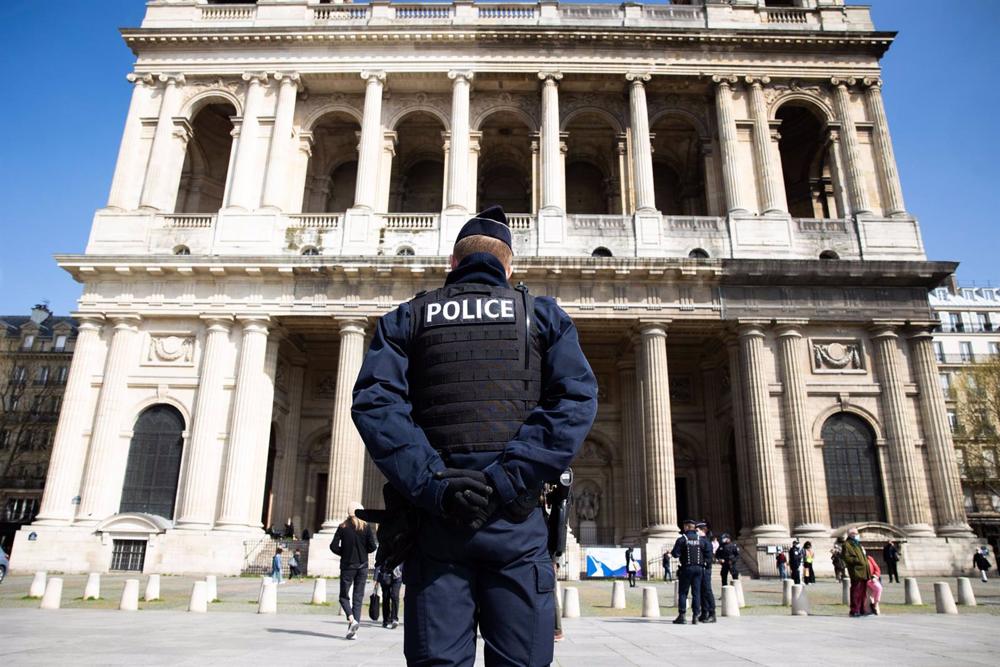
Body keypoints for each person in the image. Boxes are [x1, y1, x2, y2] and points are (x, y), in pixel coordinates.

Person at [351, 205, 599, 666]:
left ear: (452, 264)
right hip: (517, 522)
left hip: (437, 521)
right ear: (509, 267)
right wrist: (508, 478)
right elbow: (574, 403)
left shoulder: (409, 318)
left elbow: (375, 405)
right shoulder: (540, 316)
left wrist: (434, 483)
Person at [330, 502, 378, 640]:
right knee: (358, 598)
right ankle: (353, 631)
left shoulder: (342, 527)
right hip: (362, 566)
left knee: (343, 596)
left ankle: (352, 620)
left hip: (347, 566)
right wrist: (363, 552)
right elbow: (373, 547)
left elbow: (333, 546)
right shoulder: (366, 527)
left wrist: (344, 553)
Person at [671, 519, 712, 625]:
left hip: (686, 568)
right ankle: (695, 616)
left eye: (684, 526)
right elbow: (708, 553)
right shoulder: (701, 540)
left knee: (683, 592)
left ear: (687, 527)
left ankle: (682, 615)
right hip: (699, 569)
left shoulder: (682, 539)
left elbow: (675, 554)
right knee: (696, 593)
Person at [842, 527, 871, 617]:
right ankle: (854, 610)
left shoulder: (857, 544)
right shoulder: (847, 544)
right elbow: (847, 558)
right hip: (856, 571)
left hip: (864, 571)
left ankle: (862, 609)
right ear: (851, 534)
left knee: (863, 592)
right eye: (856, 533)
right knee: (856, 591)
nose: (857, 535)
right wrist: (858, 561)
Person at [696, 520, 716, 623]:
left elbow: (709, 559)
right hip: (700, 569)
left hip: (705, 569)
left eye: (697, 530)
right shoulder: (699, 541)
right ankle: (704, 613)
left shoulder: (707, 542)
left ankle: (712, 614)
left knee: (707, 591)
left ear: (704, 530)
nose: (696, 531)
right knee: (701, 591)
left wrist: (703, 564)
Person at [375, 562, 403, 629]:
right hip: (385, 574)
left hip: (398, 575)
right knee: (386, 597)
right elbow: (379, 560)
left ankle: (394, 619)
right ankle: (386, 620)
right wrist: (375, 577)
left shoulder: (401, 551)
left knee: (395, 596)